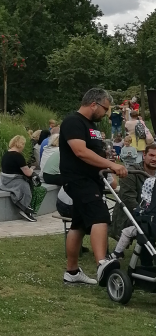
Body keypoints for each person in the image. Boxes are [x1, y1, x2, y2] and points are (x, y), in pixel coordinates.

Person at [59, 88, 128, 286]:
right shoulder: (73, 122)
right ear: (93, 104)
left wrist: (107, 174)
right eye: (105, 109)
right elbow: (80, 152)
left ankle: (72, 272)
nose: (106, 114)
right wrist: (112, 165)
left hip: (93, 179)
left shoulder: (91, 126)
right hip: (79, 180)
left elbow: (96, 153)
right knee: (100, 217)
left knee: (78, 225)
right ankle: (102, 263)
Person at [110, 142, 156, 240]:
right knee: (149, 221)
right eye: (151, 155)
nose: (154, 159)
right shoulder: (131, 172)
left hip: (151, 213)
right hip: (131, 215)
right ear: (144, 155)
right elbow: (128, 199)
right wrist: (147, 214)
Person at [0, 135, 38, 222]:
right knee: (28, 187)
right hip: (14, 180)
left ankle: (27, 208)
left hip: (6, 180)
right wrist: (32, 169)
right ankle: (26, 208)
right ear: (21, 144)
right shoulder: (18, 156)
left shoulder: (6, 154)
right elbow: (27, 172)